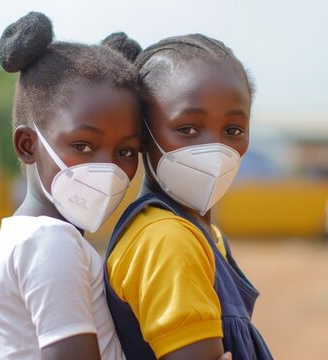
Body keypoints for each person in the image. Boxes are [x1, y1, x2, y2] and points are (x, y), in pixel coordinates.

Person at [0, 12, 142, 360]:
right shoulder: (50, 242)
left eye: (126, 151)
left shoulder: (29, 237)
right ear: (27, 145)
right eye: (83, 145)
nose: (108, 168)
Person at [104, 34, 274, 360]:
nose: (215, 149)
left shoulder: (201, 233)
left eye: (233, 130)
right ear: (141, 134)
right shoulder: (168, 240)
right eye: (188, 129)